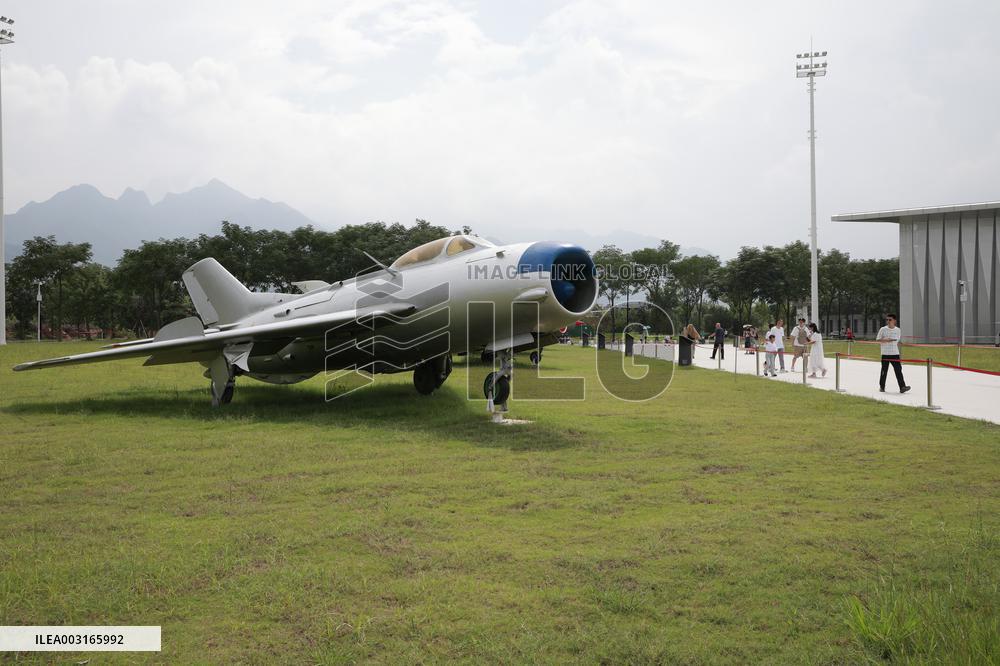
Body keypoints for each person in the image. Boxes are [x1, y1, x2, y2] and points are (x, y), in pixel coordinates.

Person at [876, 314, 911, 393]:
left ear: (894, 321)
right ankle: (882, 387)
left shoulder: (898, 330)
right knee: (884, 371)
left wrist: (902, 343)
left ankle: (902, 387)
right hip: (885, 353)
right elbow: (877, 339)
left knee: (898, 370)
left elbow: (897, 340)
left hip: (895, 353)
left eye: (890, 320)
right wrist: (886, 340)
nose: (888, 321)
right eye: (887, 320)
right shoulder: (883, 329)